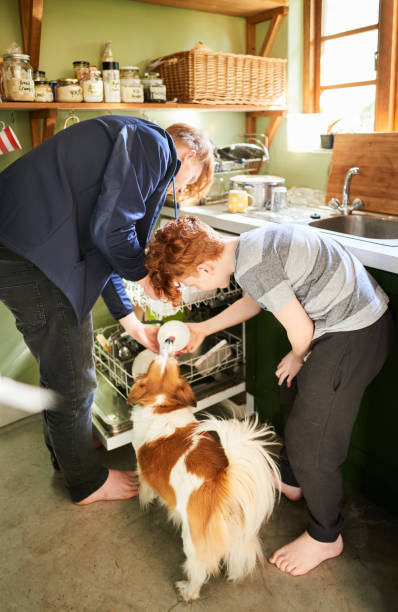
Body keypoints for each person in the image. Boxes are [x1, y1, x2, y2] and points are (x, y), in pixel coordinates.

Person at [143, 214, 394, 576]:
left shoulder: (255, 266)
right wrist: (203, 328)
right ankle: (293, 480)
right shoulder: (247, 248)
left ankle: (326, 536)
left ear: (206, 266)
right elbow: (255, 301)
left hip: (356, 330)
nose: (195, 288)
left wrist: (297, 356)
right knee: (291, 388)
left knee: (313, 439)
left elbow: (301, 331)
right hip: (337, 320)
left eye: (188, 281)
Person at [0, 117, 213, 505]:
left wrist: (133, 325)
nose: (177, 190)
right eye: (187, 182)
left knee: (61, 366)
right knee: (76, 378)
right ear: (190, 154)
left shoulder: (131, 143)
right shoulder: (155, 146)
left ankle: (67, 458)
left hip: (21, 248)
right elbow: (112, 233)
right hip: (29, 255)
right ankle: (86, 483)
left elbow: (106, 250)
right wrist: (146, 278)